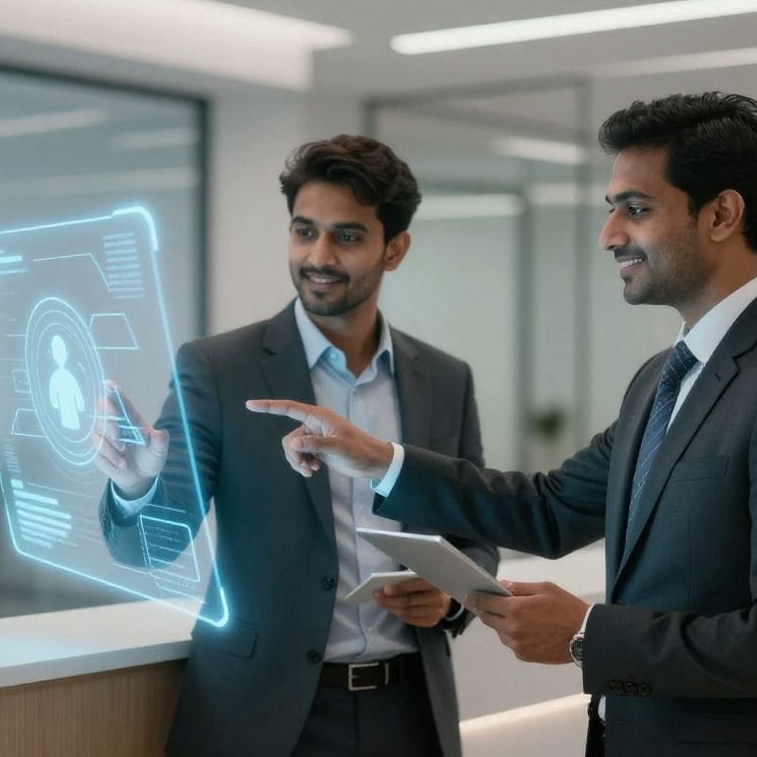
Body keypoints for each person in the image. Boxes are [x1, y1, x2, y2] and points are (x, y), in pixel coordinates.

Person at [248, 94, 757, 757]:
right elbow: (552, 508)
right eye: (612, 208)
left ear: (721, 214)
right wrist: (380, 460)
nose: (610, 234)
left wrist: (587, 634)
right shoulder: (665, 376)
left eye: (635, 209)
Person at [92, 134, 496, 757]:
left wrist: (449, 600)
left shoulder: (444, 378)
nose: (319, 255)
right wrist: (136, 484)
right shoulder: (219, 368)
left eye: (348, 236)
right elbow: (153, 547)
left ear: (395, 249)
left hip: (409, 710)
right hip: (265, 715)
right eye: (303, 231)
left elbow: (476, 529)